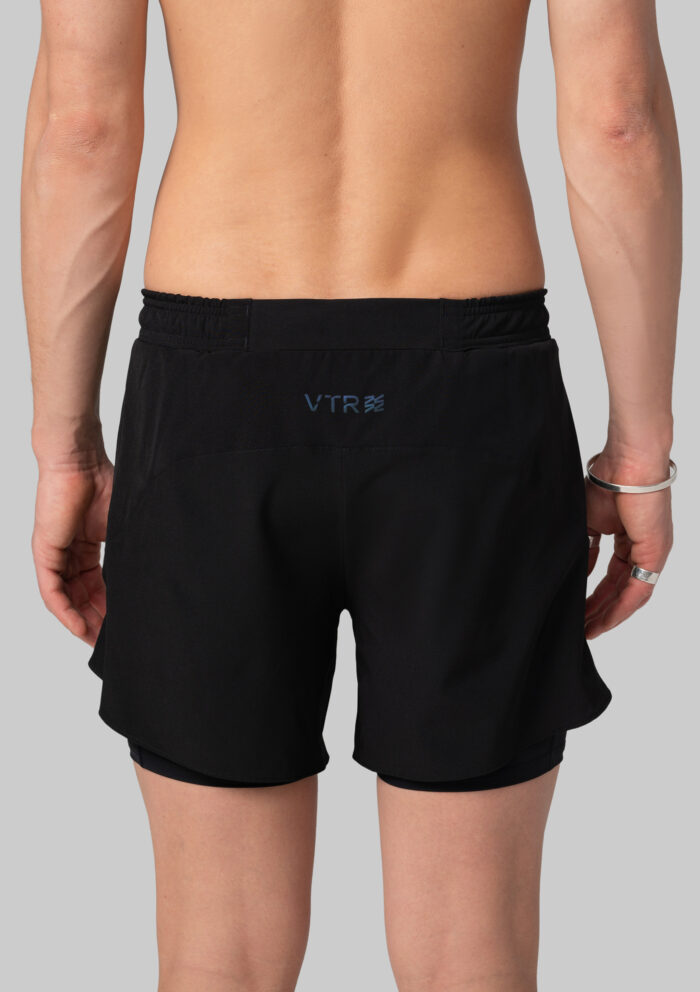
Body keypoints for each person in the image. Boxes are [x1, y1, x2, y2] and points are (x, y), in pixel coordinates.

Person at [21, 0, 679, 989]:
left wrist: (66, 450)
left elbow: (82, 126)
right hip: (466, 389)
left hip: (215, 395)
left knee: (219, 960)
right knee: (468, 959)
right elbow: (618, 117)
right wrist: (639, 451)